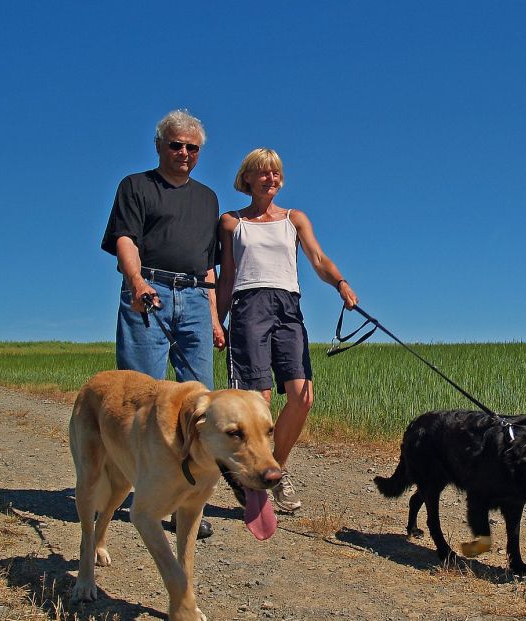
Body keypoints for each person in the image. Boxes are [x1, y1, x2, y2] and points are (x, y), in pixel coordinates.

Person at [101, 109, 224, 538]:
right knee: (139, 397)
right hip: (148, 291)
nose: (184, 153)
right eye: (176, 145)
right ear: (159, 146)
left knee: (199, 403)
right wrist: (135, 282)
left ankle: (186, 503)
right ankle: (133, 492)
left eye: (192, 147)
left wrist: (212, 317)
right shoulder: (135, 186)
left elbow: (210, 266)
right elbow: (124, 240)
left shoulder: (208, 199)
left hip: (193, 296)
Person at [216, 147, 358, 512]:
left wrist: (340, 284)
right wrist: (217, 320)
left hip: (288, 307)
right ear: (246, 178)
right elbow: (227, 277)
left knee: (302, 396)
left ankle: (276, 468)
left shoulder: (294, 219)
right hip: (248, 307)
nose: (272, 178)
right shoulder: (232, 222)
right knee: (259, 402)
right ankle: (257, 477)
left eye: (276, 173)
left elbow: (318, 259)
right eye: (263, 173)